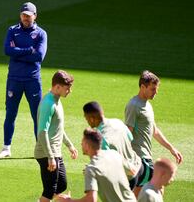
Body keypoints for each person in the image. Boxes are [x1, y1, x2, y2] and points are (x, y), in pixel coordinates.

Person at [0, 1, 48, 158]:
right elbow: (7, 50)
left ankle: (39, 148)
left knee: (36, 115)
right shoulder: (12, 31)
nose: (26, 18)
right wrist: (28, 50)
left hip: (32, 80)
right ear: (20, 15)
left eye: (29, 15)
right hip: (14, 79)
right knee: (10, 113)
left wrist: (17, 53)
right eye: (23, 15)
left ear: (35, 16)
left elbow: (39, 56)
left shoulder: (41, 34)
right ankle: (6, 148)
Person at [125, 70, 183, 195]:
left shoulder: (147, 105)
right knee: (156, 188)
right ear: (142, 87)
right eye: (152, 89)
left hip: (146, 157)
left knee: (141, 193)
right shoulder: (134, 105)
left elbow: (154, 131)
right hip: (139, 159)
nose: (156, 92)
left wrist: (171, 149)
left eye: (156, 89)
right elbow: (127, 132)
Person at [56, 128, 136, 202]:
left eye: (83, 141)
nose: (81, 143)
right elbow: (132, 171)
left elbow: (91, 199)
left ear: (87, 145)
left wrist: (69, 201)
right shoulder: (114, 153)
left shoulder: (91, 169)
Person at [34, 70, 78, 202]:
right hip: (46, 153)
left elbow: (58, 129)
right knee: (49, 190)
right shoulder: (48, 104)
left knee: (62, 184)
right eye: (67, 88)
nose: (69, 91)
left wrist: (70, 145)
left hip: (55, 152)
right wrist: (50, 157)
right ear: (57, 87)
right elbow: (42, 132)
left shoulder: (57, 101)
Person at [83, 101, 145, 190]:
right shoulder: (118, 122)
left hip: (128, 177)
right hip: (138, 166)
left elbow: (108, 165)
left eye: (86, 118)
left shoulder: (101, 139)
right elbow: (130, 138)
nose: (87, 121)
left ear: (91, 118)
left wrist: (91, 169)